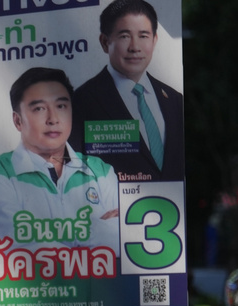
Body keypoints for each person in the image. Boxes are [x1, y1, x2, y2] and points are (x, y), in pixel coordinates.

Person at [0, 67, 120, 252]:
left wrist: (44, 235)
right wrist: (95, 233)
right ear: (17, 121)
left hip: (102, 282)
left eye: (61, 106)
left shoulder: (100, 170)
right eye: (39, 109)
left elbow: (123, 240)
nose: (53, 119)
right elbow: (15, 250)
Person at [69, 0, 184, 182]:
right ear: (105, 42)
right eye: (124, 36)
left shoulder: (174, 99)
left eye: (143, 36)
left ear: (154, 40)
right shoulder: (83, 100)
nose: (135, 47)